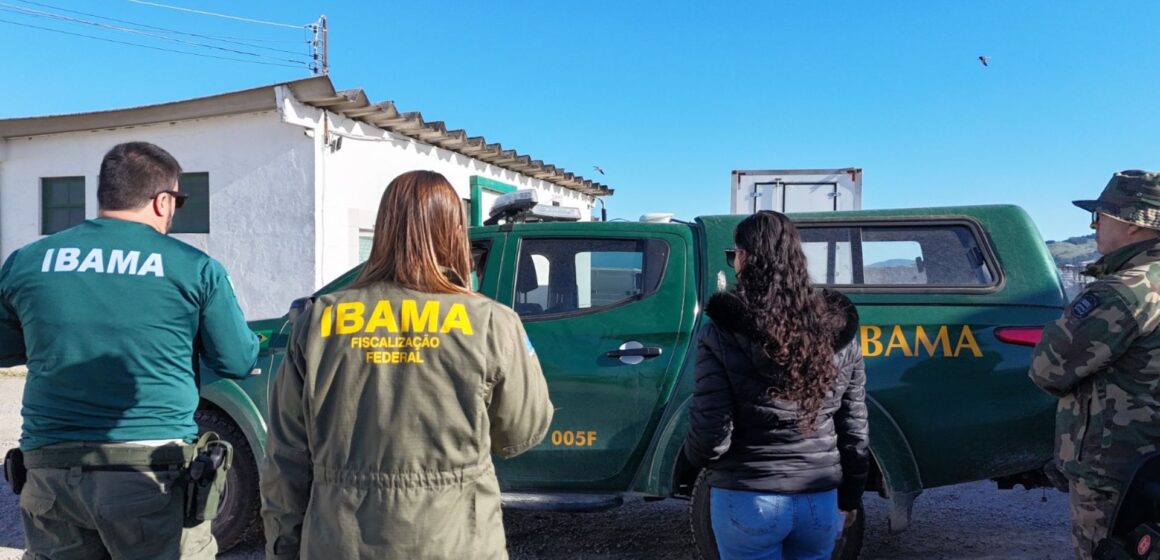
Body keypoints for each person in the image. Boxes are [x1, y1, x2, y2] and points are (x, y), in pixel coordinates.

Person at [260, 170, 554, 559]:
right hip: (456, 542)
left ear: (383, 230)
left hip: (340, 541)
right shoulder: (491, 321)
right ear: (454, 233)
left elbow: (285, 458)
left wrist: (283, 546)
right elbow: (520, 432)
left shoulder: (317, 321)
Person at [0, 141, 260, 559]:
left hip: (50, 471)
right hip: (151, 473)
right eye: (178, 199)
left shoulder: (27, 261)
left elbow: (7, 348)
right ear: (162, 201)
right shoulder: (194, 268)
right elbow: (236, 359)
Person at [684, 210, 869, 560]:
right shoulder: (838, 333)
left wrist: (701, 461)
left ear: (746, 258)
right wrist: (851, 498)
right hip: (819, 496)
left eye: (734, 254)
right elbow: (855, 430)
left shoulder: (720, 333)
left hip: (747, 495)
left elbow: (710, 435)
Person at [1029, 169, 1160, 560]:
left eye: (1100, 216)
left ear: (1134, 224)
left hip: (1119, 470)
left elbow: (1048, 369)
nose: (1094, 225)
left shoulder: (1123, 292)